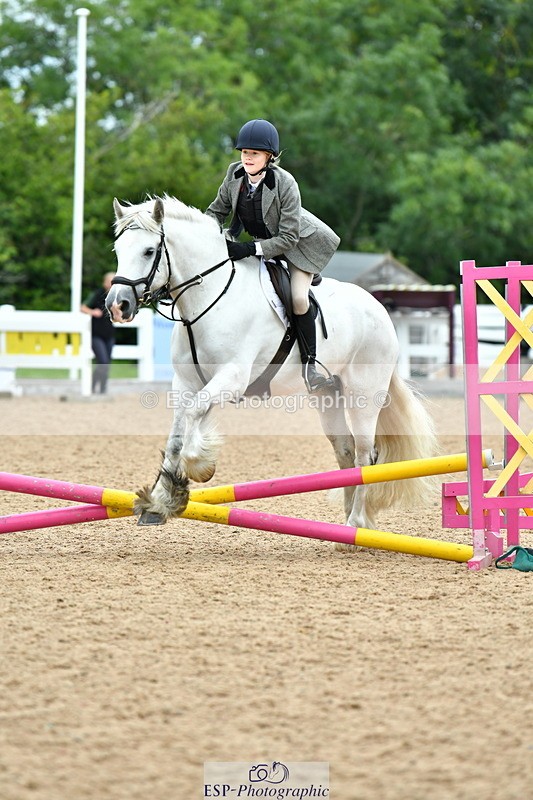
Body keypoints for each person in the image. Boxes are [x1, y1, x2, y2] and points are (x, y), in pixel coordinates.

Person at [206, 119, 340, 392]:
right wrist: (206, 236)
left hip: (300, 246)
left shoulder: (285, 183)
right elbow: (215, 211)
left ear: (269, 156)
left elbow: (289, 237)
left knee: (299, 298)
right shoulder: (234, 175)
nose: (247, 157)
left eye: (254, 153)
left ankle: (310, 366)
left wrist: (248, 249)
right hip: (266, 244)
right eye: (244, 152)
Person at [80, 272, 116, 394]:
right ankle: (93, 386)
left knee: (106, 364)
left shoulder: (116, 295)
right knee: (103, 361)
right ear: (105, 282)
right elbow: (83, 307)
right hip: (96, 335)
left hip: (109, 334)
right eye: (110, 281)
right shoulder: (97, 294)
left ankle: (102, 388)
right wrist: (93, 311)